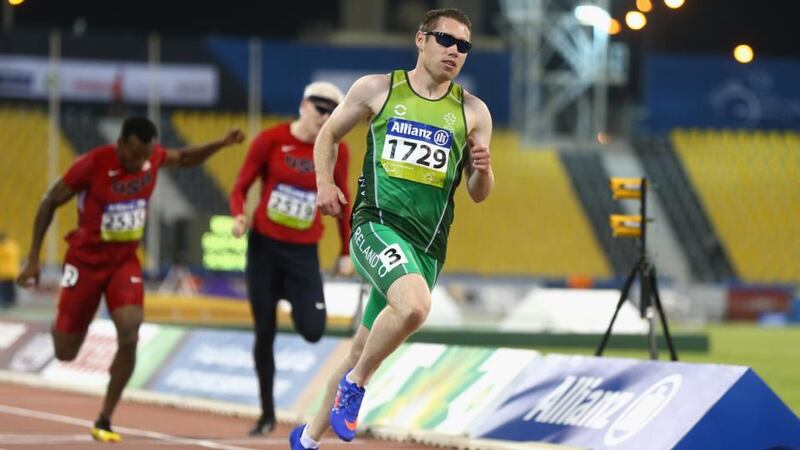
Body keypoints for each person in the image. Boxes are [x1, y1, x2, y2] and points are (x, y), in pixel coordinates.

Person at [290, 8, 494, 450]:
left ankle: (305, 439)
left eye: (464, 46)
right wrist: (324, 184)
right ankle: (356, 386)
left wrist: (483, 170)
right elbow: (327, 136)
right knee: (416, 308)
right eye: (446, 40)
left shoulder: (473, 112)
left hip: (427, 246)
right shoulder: (377, 89)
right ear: (421, 39)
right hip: (375, 225)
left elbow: (479, 193)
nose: (454, 52)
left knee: (360, 347)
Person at [15, 117, 245, 443]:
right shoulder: (92, 165)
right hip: (85, 261)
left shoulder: (151, 157)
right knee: (65, 351)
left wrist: (220, 143)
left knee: (130, 330)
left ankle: (105, 417)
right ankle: (63, 323)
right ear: (121, 144)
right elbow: (48, 201)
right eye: (134, 154)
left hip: (124, 262)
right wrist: (35, 258)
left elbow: (187, 158)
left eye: (145, 156)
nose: (140, 163)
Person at [229, 81, 353, 436]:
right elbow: (240, 186)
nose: (325, 117)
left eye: (333, 112)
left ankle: (290, 295)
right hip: (264, 249)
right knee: (263, 331)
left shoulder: (336, 151)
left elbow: (342, 201)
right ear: (303, 105)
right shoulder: (270, 140)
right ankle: (267, 414)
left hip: (302, 254)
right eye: (320, 108)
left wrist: (345, 252)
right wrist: (239, 214)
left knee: (313, 330)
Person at [0, 231, 20, 308]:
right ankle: (11, 303)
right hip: (13, 271)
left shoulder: (3, 247)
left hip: (4, 272)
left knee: (4, 290)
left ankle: (6, 304)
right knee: (10, 289)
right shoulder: (13, 245)